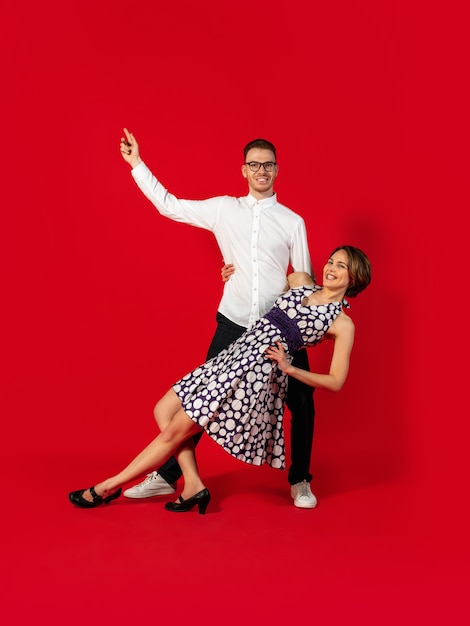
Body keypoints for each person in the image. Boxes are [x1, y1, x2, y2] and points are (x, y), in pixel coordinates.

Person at [68, 246, 372, 514]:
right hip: (233, 354)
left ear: (355, 278)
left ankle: (107, 487)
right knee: (163, 409)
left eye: (340, 266)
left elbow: (335, 381)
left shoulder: (342, 323)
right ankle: (194, 484)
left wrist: (290, 369)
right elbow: (259, 283)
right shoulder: (302, 282)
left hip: (252, 373)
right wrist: (232, 275)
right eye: (331, 261)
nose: (330, 268)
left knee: (175, 429)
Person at [117, 129, 318, 509]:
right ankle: (166, 478)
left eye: (269, 165)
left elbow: (303, 280)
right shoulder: (225, 208)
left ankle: (301, 481)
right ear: (244, 170)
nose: (262, 170)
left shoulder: (293, 221)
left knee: (303, 403)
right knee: (202, 402)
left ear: (277, 170)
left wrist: (304, 327)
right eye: (255, 165)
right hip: (234, 321)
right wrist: (137, 165)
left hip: (278, 327)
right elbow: (170, 205)